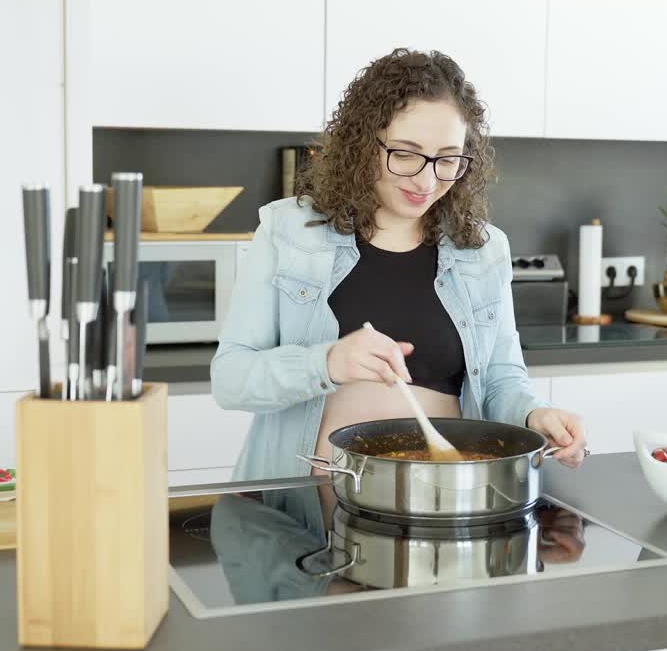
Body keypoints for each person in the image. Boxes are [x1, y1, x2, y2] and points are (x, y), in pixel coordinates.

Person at [211, 48, 587, 480]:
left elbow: (502, 379)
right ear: (362, 143)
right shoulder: (288, 231)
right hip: (304, 509)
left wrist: (535, 415)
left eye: (448, 159)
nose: (427, 181)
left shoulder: (484, 249)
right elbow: (231, 379)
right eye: (405, 154)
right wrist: (327, 362)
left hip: (443, 497)